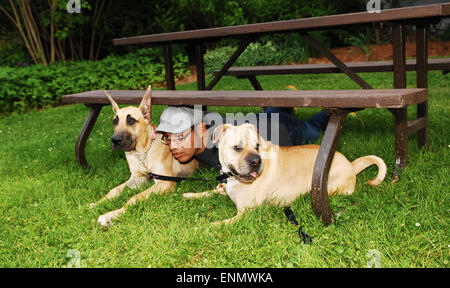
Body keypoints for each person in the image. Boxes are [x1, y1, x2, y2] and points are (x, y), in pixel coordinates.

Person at [156, 106, 329, 169]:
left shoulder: (225, 141)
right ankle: (283, 101)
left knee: (313, 129)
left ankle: (335, 112)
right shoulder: (197, 125)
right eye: (168, 138)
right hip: (256, 120)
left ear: (201, 130)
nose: (172, 146)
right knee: (269, 113)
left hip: (283, 130)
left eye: (179, 137)